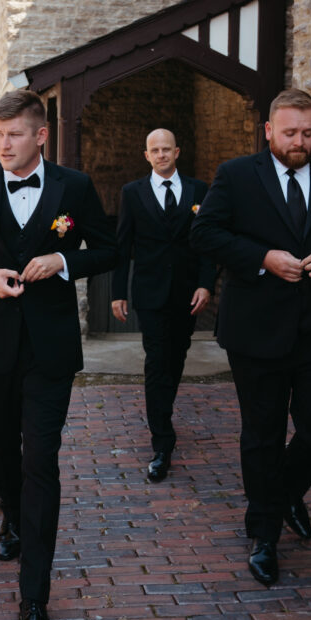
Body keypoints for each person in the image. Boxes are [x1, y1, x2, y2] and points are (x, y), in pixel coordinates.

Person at [0, 91, 117, 620]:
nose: (4, 144)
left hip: (49, 350)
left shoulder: (76, 187)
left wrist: (64, 262)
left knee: (41, 459)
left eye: (14, 134)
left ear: (41, 135)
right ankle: (11, 515)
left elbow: (109, 249)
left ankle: (34, 600)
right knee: (1, 453)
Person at [190, 89, 311, 587]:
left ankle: (285, 492)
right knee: (263, 435)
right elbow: (204, 234)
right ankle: (264, 533)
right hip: (257, 330)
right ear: (268, 130)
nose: (299, 142)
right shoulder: (235, 176)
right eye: (290, 132)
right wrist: (261, 257)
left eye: (308, 133)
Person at [111, 129, 216, 482]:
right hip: (151, 293)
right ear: (146, 155)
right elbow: (122, 245)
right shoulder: (132, 193)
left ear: (177, 151)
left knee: (177, 356)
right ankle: (162, 441)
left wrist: (205, 283)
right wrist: (117, 292)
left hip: (187, 292)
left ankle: (163, 412)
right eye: (154, 150)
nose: (161, 155)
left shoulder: (199, 190)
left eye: (166, 149)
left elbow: (206, 243)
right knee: (157, 361)